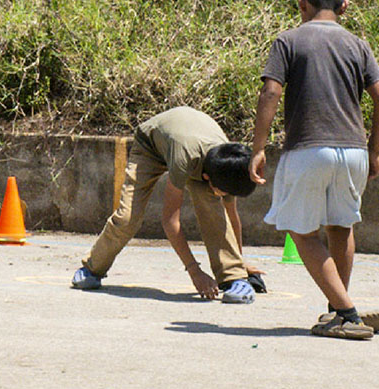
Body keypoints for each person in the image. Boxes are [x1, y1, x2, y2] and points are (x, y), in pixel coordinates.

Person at [249, 0, 379, 340]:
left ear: (301, 2)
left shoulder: (289, 40)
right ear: (344, 6)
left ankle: (346, 312)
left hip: (308, 149)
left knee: (300, 231)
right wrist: (375, 151)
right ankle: (337, 310)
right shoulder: (358, 45)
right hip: (354, 151)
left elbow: (270, 93)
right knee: (341, 227)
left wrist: (258, 148)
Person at [70, 106, 263, 302]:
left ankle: (233, 279)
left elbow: (231, 217)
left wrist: (240, 266)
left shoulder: (229, 163)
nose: (224, 195)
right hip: (150, 147)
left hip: (191, 145)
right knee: (128, 217)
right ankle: (91, 269)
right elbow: (170, 220)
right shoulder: (184, 159)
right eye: (221, 191)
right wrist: (195, 272)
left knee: (214, 211)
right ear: (206, 177)